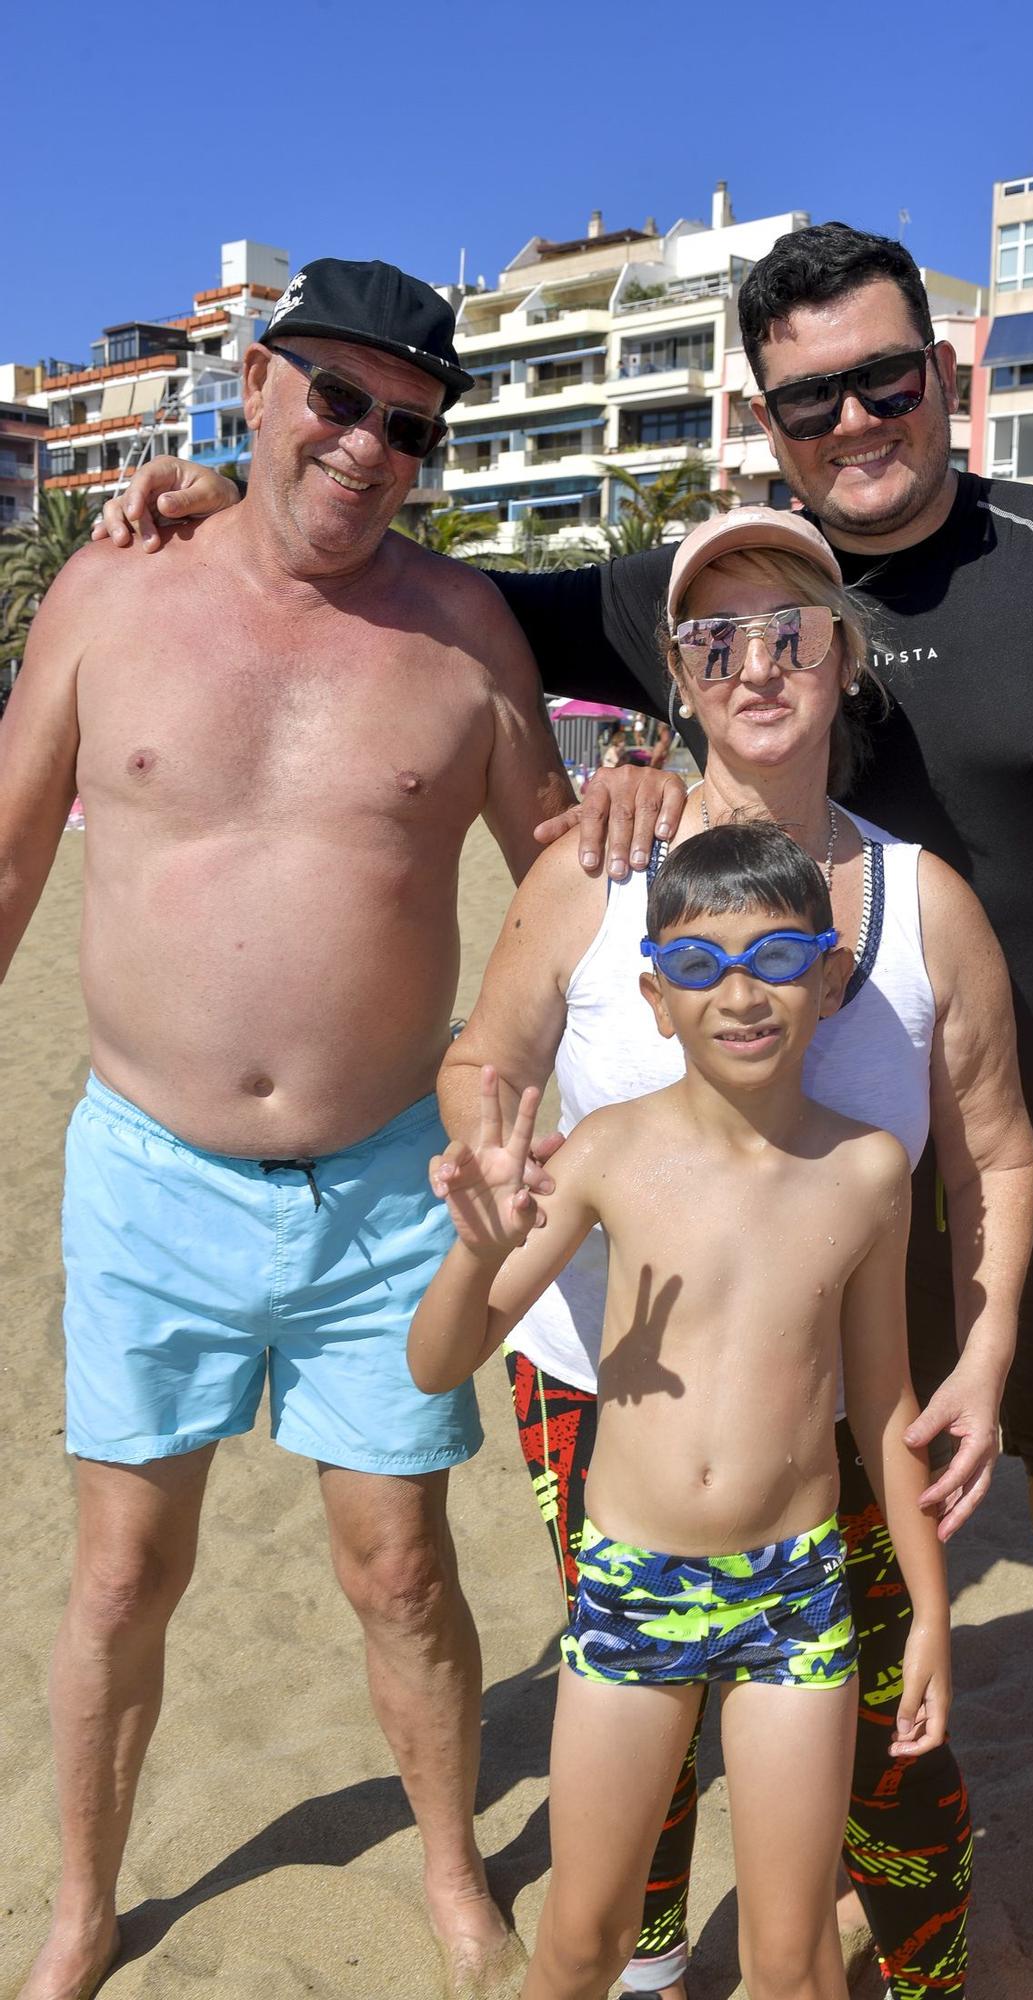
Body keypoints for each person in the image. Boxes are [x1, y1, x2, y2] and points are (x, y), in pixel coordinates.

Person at [99, 220, 1033, 2000]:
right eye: (808, 396)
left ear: (942, 375)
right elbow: (444, 585)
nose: (853, 417)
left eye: (884, 379)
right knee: (706, 1617)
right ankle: (700, 1922)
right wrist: (241, 493)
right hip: (745, 1241)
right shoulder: (672, 713)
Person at [0, 257, 576, 2000]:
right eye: (335, 398)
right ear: (255, 388)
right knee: (120, 1580)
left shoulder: (467, 632)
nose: (366, 446)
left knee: (398, 1568)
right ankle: (86, 1908)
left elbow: (551, 880)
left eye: (408, 425)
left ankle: (455, 1874)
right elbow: (16, 852)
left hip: (389, 1189)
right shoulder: (110, 593)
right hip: (148, 1170)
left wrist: (521, 1071)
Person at [439, 505, 1033, 1999]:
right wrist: (487, 1174)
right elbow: (484, 1061)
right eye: (715, 640)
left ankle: (921, 1976)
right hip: (601, 1391)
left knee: (885, 1778)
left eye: (790, 631)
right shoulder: (597, 866)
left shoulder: (920, 906)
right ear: (674, 677)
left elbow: (998, 1153)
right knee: (626, 1804)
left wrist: (989, 1341)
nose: (755, 665)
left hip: (831, 1419)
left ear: (845, 657)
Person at [408, 824, 954, 2000]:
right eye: (699, 968)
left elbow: (883, 1399)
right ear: (656, 998)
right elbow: (433, 1359)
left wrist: (929, 1610)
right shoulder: (608, 1152)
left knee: (794, 1959)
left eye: (774, 958)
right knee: (580, 1941)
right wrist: (474, 1254)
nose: (740, 993)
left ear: (827, 974)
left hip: (796, 1597)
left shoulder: (866, 1171)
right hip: (632, 1586)